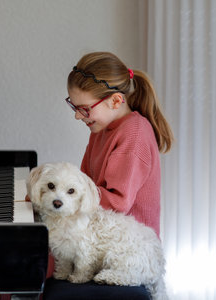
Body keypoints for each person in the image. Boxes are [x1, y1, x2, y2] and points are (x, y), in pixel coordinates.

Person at [65, 51, 173, 237]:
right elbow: (86, 184)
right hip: (101, 233)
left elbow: (117, 203)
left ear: (115, 101)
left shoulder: (134, 134)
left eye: (84, 109)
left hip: (127, 249)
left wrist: (63, 196)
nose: (77, 116)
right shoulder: (101, 129)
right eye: (74, 107)